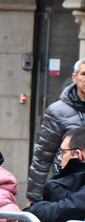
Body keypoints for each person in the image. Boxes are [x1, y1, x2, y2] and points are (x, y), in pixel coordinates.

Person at [28, 59, 85, 204]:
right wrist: (34, 197)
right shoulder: (57, 111)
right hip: (66, 186)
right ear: (74, 77)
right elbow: (42, 157)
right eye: (84, 74)